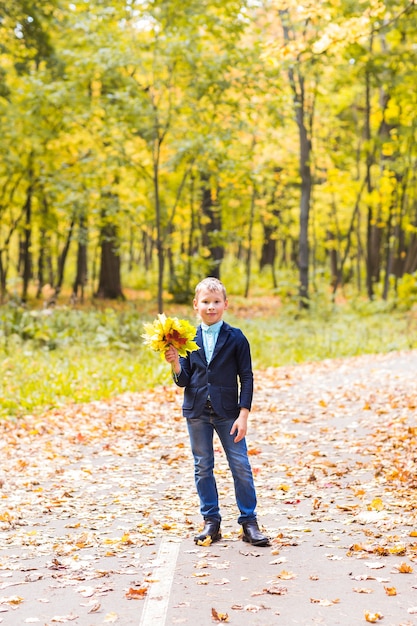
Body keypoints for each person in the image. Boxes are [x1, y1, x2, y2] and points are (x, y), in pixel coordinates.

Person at [165, 277, 270, 547]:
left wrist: (243, 414)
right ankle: (211, 522)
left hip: (228, 413)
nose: (210, 307)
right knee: (203, 467)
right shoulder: (188, 339)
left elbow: (246, 377)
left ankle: (249, 522)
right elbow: (184, 380)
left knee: (241, 466)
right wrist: (176, 363)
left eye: (215, 302)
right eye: (205, 302)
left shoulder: (236, 338)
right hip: (197, 411)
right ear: (195, 305)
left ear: (225, 304)